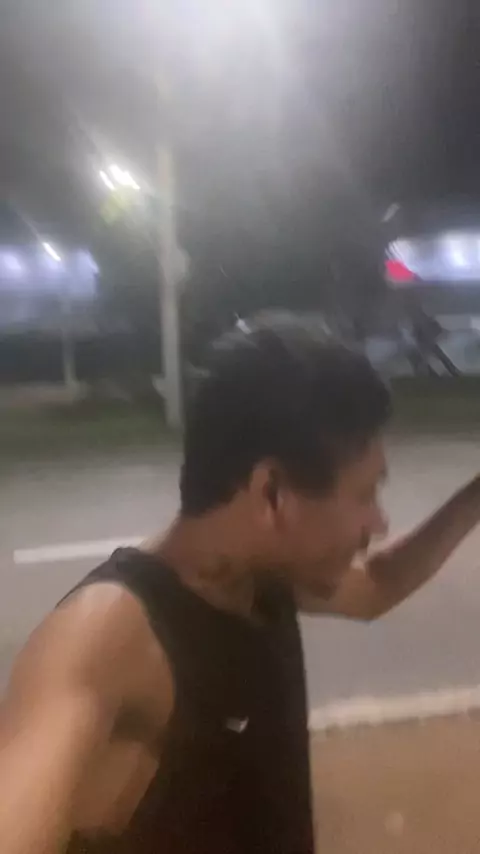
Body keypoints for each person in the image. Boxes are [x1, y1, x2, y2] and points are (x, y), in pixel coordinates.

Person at [1, 312, 480, 854]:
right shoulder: (110, 635)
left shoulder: (264, 578)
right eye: (365, 495)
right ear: (272, 493)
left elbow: (376, 586)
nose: (379, 523)